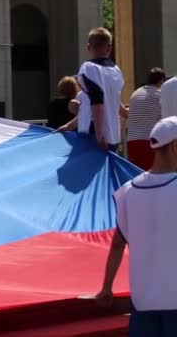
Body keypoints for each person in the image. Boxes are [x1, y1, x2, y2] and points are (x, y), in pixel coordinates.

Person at [96, 116, 177, 336]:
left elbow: (117, 244)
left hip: (143, 300)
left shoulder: (127, 191)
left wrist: (106, 287)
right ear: (174, 146)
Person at [75, 27, 125, 151]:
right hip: (113, 133)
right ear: (109, 47)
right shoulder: (117, 71)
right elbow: (114, 103)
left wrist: (99, 135)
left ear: (88, 47)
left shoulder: (88, 68)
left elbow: (97, 101)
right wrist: (69, 125)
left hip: (93, 131)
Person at [126, 67, 166, 170]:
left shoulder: (135, 94)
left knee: (136, 175)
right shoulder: (159, 94)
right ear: (161, 81)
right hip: (149, 142)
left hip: (132, 142)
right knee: (150, 176)